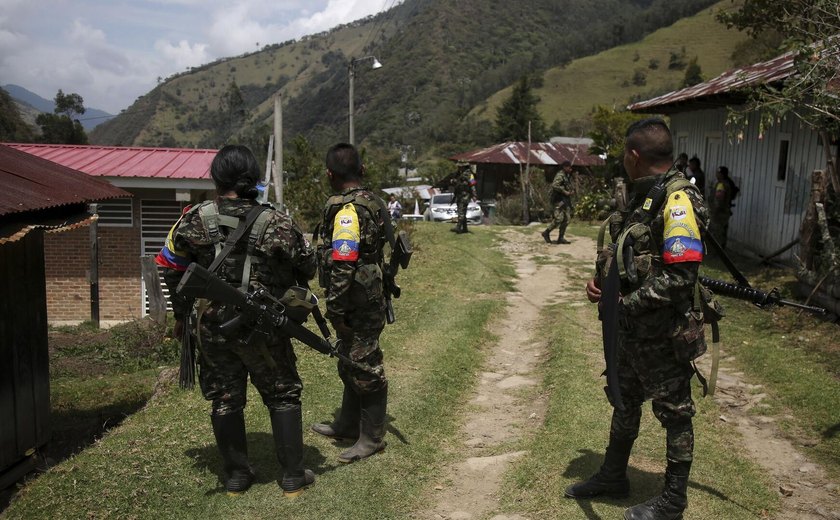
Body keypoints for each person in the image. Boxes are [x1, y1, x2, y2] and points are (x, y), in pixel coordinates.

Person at [567, 118, 709, 520]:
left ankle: (672, 502)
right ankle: (614, 475)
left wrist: (624, 305)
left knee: (675, 412)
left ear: (634, 155)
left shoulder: (678, 201)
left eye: (623, 157)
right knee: (624, 399)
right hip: (632, 334)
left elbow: (681, 278)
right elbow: (632, 258)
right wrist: (603, 286)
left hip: (662, 333)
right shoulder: (645, 198)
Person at [156, 144, 317, 496]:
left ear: (216, 178)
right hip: (263, 324)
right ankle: (292, 475)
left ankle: (236, 476)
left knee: (226, 397)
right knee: (283, 394)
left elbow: (170, 267)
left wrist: (181, 316)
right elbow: (307, 266)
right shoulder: (277, 219)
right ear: (254, 179)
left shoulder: (193, 218)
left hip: (212, 325)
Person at [311, 143, 390, 463]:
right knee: (349, 359)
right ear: (362, 169)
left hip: (356, 301)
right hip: (366, 295)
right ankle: (346, 423)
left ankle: (371, 438)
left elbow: (344, 263)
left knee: (364, 365)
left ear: (330, 174)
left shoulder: (346, 211)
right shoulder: (372, 202)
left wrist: (335, 309)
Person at [542, 160, 574, 244]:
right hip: (558, 200)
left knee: (566, 219)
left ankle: (561, 238)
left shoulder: (566, 176)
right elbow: (555, 185)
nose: (570, 169)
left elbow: (566, 186)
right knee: (559, 219)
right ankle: (546, 232)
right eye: (569, 167)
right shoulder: (560, 175)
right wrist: (564, 191)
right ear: (565, 167)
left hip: (564, 201)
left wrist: (570, 191)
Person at [709, 166, 738, 249]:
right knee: (722, 232)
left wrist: (715, 212)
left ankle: (718, 251)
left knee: (717, 232)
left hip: (719, 213)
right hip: (724, 212)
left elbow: (719, 200)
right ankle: (721, 249)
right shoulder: (726, 183)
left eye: (718, 173)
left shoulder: (721, 185)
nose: (716, 175)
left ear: (721, 175)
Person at [450, 162, 478, 234]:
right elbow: (456, 183)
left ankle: (458, 227)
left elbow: (473, 185)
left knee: (461, 211)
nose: (459, 168)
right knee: (462, 212)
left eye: (460, 167)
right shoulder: (459, 174)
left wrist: (474, 195)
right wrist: (453, 181)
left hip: (465, 195)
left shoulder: (470, 175)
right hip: (459, 195)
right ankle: (465, 228)